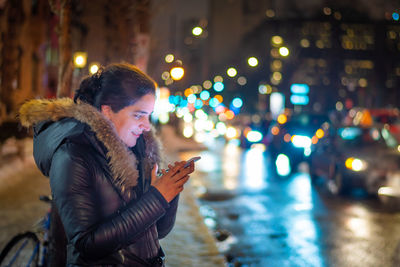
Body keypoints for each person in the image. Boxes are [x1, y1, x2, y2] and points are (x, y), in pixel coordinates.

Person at [19, 63, 195, 266]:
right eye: (138, 115)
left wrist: (169, 193)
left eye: (148, 115)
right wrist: (157, 197)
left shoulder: (140, 150)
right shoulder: (73, 154)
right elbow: (87, 244)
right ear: (107, 111)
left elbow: (158, 231)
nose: (147, 126)